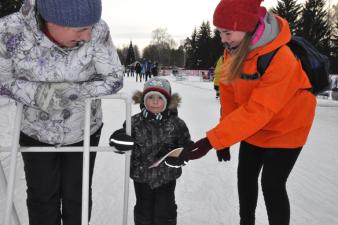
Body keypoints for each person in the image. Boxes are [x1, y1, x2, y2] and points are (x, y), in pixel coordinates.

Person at [165, 0, 316, 225]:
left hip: (287, 127)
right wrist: (224, 138)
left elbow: (260, 109)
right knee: (245, 177)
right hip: (255, 126)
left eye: (227, 32)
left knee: (272, 184)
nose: (223, 39)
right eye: (219, 33)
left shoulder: (280, 57)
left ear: (247, 26)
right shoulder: (233, 52)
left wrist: (212, 141)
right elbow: (230, 100)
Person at [0, 0, 124, 224]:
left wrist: (72, 92)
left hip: (83, 129)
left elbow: (114, 78)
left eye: (89, 28)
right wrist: (38, 93)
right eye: (80, 30)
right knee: (41, 196)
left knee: (77, 195)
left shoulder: (97, 30)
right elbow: (2, 78)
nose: (87, 36)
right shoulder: (10, 31)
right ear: (54, 20)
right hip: (35, 130)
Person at [109, 77, 193, 225]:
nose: (154, 102)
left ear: (167, 101)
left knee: (165, 211)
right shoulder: (134, 122)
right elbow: (118, 140)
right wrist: (118, 140)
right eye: (150, 97)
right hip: (141, 177)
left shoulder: (177, 124)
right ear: (143, 100)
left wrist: (181, 157)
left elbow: (187, 147)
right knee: (143, 211)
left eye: (159, 98)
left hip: (166, 178)